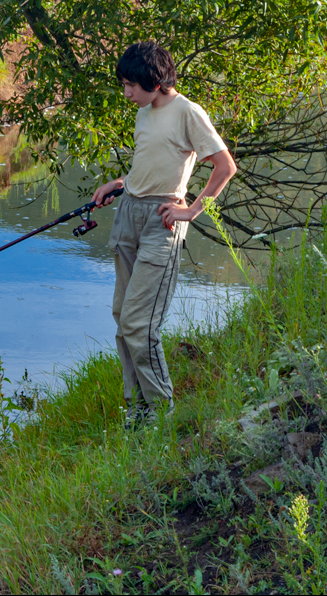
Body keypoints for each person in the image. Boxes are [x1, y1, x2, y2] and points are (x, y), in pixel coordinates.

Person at [92, 41, 237, 429]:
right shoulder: (145, 111)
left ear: (154, 82)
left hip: (163, 221)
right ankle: (136, 412)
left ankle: (162, 414)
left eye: (131, 86)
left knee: (141, 325)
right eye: (124, 85)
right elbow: (153, 162)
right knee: (123, 317)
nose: (127, 93)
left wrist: (191, 210)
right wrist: (119, 183)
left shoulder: (188, 112)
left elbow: (225, 166)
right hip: (128, 215)